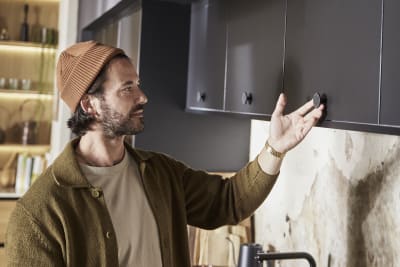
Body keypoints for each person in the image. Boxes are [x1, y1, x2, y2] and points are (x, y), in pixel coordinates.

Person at [5, 41, 324, 267]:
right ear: (89, 105)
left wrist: (275, 148)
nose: (143, 96)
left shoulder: (159, 173)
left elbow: (227, 202)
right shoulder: (39, 214)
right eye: (127, 88)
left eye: (138, 83)